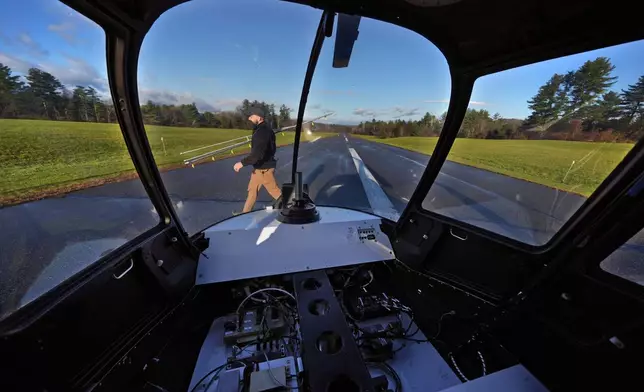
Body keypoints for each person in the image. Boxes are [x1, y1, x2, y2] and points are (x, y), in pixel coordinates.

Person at [233, 105, 282, 213]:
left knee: (275, 192)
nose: (249, 119)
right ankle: (244, 214)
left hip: (264, 169)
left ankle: (292, 209)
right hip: (260, 167)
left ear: (259, 117)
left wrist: (241, 163)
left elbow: (257, 155)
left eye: (251, 117)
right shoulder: (262, 129)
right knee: (252, 191)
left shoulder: (262, 132)